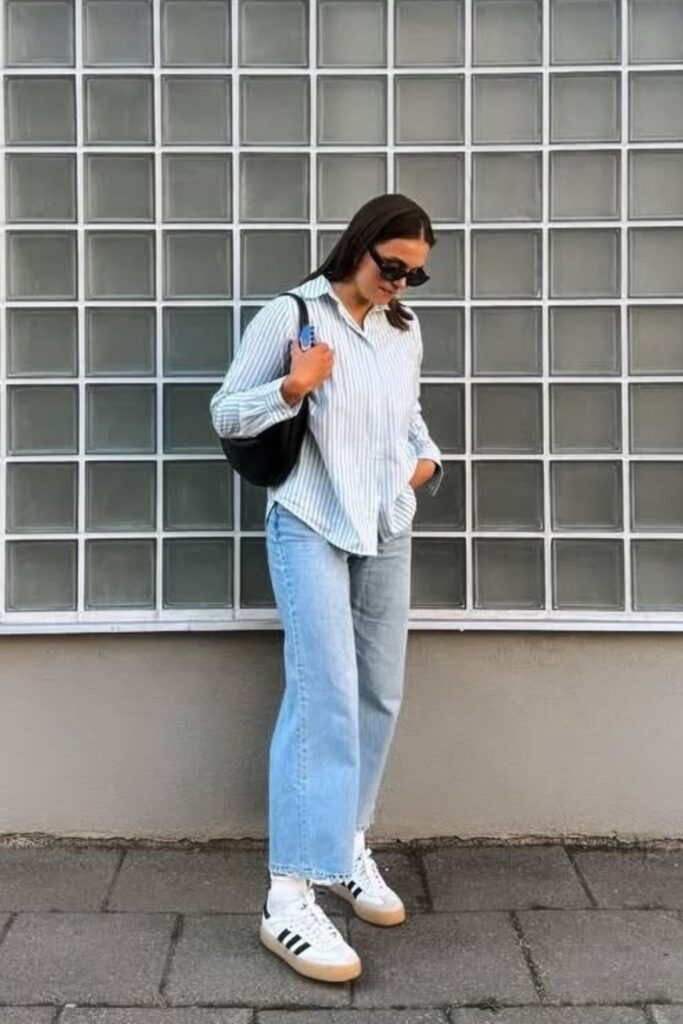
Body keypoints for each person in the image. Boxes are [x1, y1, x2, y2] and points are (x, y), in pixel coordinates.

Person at [210, 193, 443, 984]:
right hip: (309, 521)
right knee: (324, 695)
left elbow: (408, 425)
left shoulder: (400, 332)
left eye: (415, 277)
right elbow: (225, 413)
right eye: (393, 268)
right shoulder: (291, 316)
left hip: (384, 525)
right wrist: (292, 386)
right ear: (362, 246)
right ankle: (288, 898)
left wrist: (425, 465)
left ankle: (345, 846)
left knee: (378, 690)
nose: (401, 286)